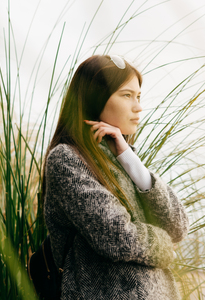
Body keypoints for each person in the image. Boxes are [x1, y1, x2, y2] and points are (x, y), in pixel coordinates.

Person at [41, 54, 189, 300]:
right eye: (127, 95)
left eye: (139, 96)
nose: (138, 106)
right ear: (95, 98)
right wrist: (164, 247)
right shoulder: (66, 159)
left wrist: (129, 159)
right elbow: (116, 235)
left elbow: (178, 226)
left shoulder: (122, 159)